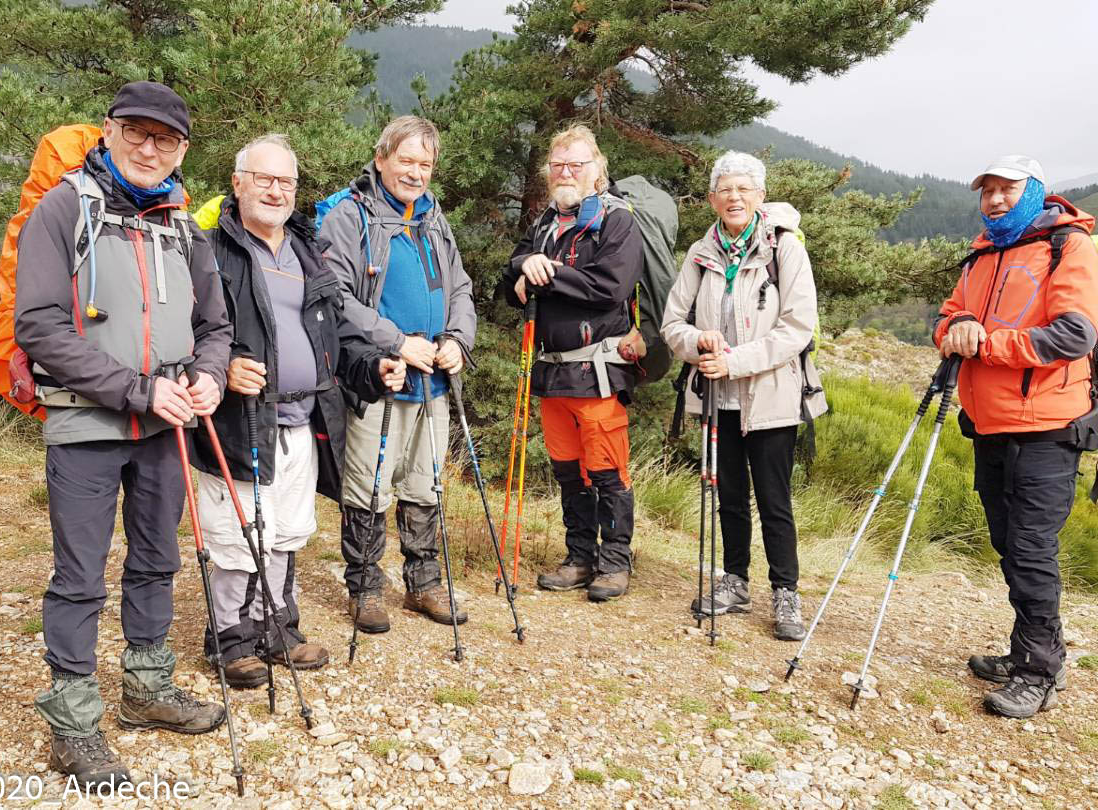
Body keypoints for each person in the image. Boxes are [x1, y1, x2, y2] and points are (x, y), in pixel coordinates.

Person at [14, 81, 230, 785]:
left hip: (164, 421)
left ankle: (145, 688)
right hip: (86, 422)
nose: (148, 147)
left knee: (155, 561)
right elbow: (39, 327)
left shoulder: (180, 222)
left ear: (181, 150)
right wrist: (140, 391)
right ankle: (73, 724)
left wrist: (210, 376)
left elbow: (215, 328)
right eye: (136, 132)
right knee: (79, 577)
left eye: (164, 139)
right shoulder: (65, 206)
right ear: (108, 132)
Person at [188, 133, 406, 689]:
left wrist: (373, 367)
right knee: (237, 538)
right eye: (263, 178)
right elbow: (184, 333)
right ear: (237, 184)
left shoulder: (308, 252)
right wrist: (220, 370)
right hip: (241, 422)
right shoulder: (209, 248)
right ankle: (231, 640)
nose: (276, 190)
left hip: (301, 418)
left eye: (286, 181)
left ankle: (278, 629)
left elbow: (332, 338)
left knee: (286, 531)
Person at [935, 155, 1098, 718]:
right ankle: (1025, 650)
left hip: (1049, 429)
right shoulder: (982, 253)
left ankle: (1038, 669)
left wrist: (984, 343)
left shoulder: (1069, 248)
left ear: (1034, 190)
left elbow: (1073, 335)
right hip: (989, 426)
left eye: (1007, 190)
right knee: (1009, 544)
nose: (995, 200)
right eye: (986, 192)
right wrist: (952, 330)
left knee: (1031, 551)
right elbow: (950, 317)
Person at [317, 116, 476, 633]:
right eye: (406, 160)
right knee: (367, 484)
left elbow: (460, 288)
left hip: (433, 377)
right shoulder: (349, 216)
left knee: (425, 481)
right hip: (379, 375)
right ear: (381, 158)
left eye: (425, 164)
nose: (416, 172)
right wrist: (396, 341)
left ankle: (423, 584)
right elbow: (334, 294)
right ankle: (365, 587)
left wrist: (457, 341)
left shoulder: (434, 219)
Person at [660, 150, 827, 640]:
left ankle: (785, 594)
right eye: (725, 189)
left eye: (743, 189)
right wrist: (697, 344)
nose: (733, 197)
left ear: (759, 196)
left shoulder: (785, 249)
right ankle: (734, 581)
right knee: (728, 495)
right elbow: (674, 323)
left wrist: (733, 360)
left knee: (774, 499)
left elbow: (798, 327)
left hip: (772, 396)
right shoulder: (700, 251)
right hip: (717, 395)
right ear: (712, 198)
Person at [496, 125, 646, 602]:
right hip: (552, 371)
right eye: (558, 164)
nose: (565, 172)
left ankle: (616, 562)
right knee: (568, 470)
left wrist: (548, 273)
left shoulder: (617, 221)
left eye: (575, 164)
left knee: (607, 470)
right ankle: (580, 557)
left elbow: (609, 289)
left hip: (598, 368)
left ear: (597, 170)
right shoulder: (545, 223)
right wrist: (522, 270)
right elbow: (509, 277)